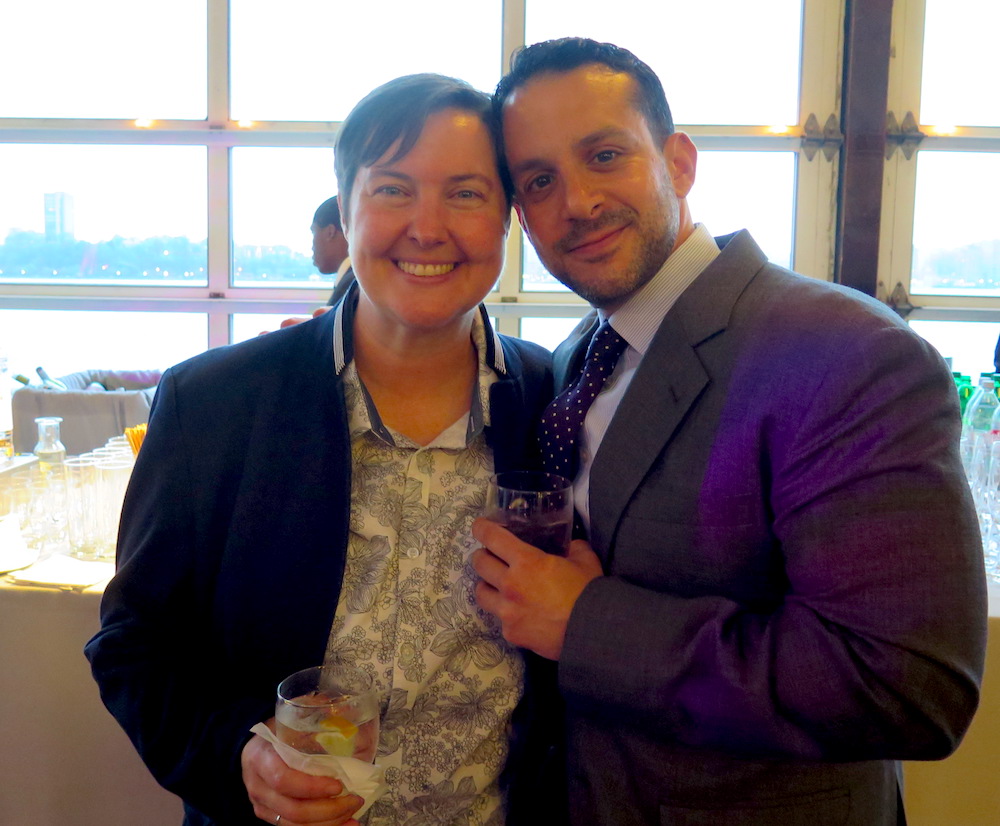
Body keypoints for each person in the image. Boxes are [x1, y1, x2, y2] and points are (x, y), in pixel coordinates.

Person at [472, 37, 987, 825]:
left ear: (678, 162)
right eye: (539, 181)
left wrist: (587, 625)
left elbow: (906, 686)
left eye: (605, 155)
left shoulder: (847, 353)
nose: (576, 202)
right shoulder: (578, 358)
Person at [86, 73, 558, 826]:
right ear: (345, 207)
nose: (427, 227)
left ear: (508, 217)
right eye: (393, 189)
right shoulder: (215, 403)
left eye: (466, 193)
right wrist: (234, 756)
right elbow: (133, 643)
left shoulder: (552, 401)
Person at [274, 198, 354, 332]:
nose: (312, 246)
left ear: (330, 232)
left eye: (314, 232)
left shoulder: (351, 286)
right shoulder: (353, 280)